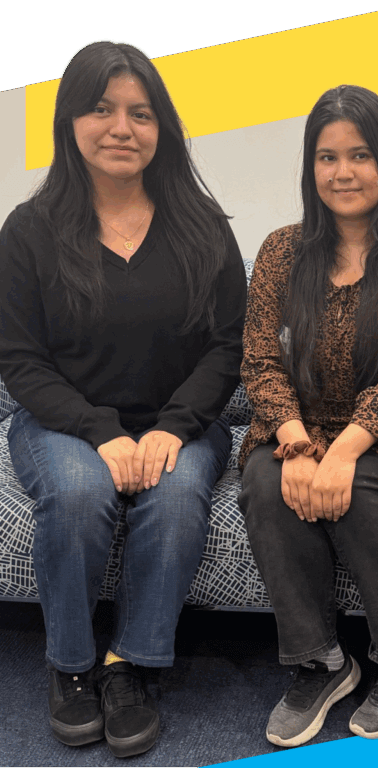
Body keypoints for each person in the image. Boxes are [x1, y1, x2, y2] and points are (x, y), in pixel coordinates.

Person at [0, 40, 246, 758]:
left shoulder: (202, 225)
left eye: (141, 113)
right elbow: (19, 359)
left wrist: (174, 427)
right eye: (101, 108)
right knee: (77, 494)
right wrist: (99, 431)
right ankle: (71, 666)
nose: (121, 128)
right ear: (69, 121)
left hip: (182, 426)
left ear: (161, 127)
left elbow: (227, 347)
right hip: (64, 425)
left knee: (172, 500)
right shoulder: (30, 231)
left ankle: (128, 665)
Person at [238, 84, 378, 749]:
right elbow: (258, 362)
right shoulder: (280, 252)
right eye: (327, 157)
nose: (343, 172)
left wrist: (342, 454)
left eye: (359, 155)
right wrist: (300, 447)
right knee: (267, 485)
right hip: (299, 428)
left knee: (357, 493)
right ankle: (321, 663)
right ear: (311, 168)